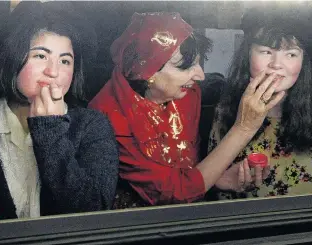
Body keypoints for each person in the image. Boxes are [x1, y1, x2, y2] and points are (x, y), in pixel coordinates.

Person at [88, 12, 284, 208]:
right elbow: (174, 194)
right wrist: (244, 128)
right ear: (147, 72)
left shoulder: (188, 93)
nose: (200, 75)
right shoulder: (106, 117)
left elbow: (189, 163)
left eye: (199, 62)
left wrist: (217, 178)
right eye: (185, 67)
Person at [0, 1, 119, 220]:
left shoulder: (93, 125)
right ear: (13, 57)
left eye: (65, 61)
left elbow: (92, 213)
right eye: (40, 56)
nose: (53, 71)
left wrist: (51, 129)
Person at [209, 8, 312, 199]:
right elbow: (210, 189)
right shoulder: (226, 109)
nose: (276, 64)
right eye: (266, 51)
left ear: (303, 62)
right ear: (247, 55)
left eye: (291, 54)